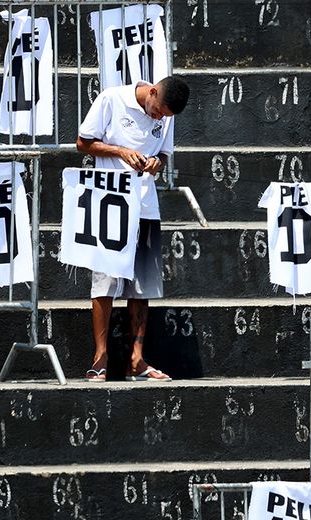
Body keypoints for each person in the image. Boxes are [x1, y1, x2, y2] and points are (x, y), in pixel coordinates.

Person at [76, 75, 190, 381]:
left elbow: (164, 155)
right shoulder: (112, 99)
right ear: (152, 92)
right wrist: (120, 152)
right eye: (157, 111)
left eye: (164, 116)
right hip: (110, 200)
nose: (158, 118)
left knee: (143, 286)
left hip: (146, 204)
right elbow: (83, 143)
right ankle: (101, 357)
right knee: (104, 283)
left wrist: (157, 163)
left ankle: (137, 360)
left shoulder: (166, 116)